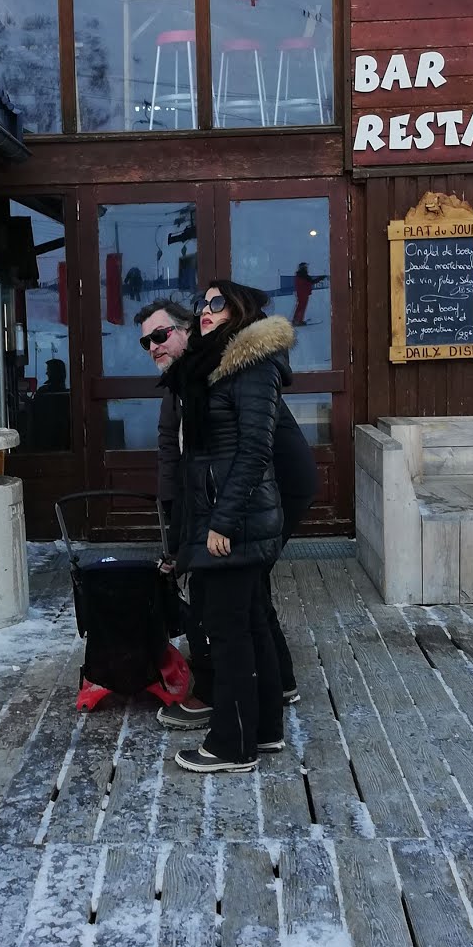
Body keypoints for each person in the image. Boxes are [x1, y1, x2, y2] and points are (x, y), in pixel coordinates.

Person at [141, 300, 316, 727]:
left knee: (223, 595)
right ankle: (273, 686)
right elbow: (174, 459)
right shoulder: (185, 378)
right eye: (146, 342)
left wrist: (223, 520)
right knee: (245, 593)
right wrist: (176, 532)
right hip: (241, 496)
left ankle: (222, 695)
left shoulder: (216, 369)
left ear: (187, 331)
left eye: (161, 335)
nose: (153, 346)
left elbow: (250, 450)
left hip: (273, 490)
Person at [161, 279, 291, 773]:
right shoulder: (215, 365)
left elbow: (255, 451)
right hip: (226, 518)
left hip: (235, 522)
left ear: (240, 310)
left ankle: (232, 746)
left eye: (217, 302)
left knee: (227, 630)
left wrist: (223, 522)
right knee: (251, 621)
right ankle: (265, 730)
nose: (205, 310)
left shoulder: (252, 366)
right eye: (202, 303)